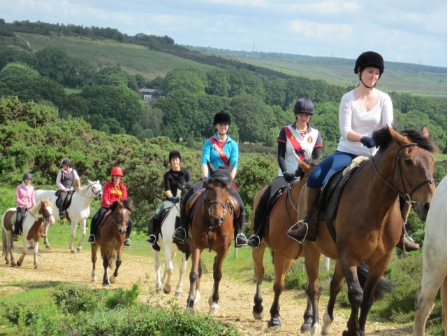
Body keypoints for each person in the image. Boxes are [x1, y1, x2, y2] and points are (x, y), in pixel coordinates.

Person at [286, 51, 419, 251]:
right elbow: (346, 131)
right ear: (359, 72)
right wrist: (363, 138)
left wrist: (377, 141)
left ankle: (401, 232)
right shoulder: (348, 98)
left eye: (377, 73)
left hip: (376, 156)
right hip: (347, 152)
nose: (373, 76)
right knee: (315, 177)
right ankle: (308, 225)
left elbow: (388, 128)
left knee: (402, 182)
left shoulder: (384, 99)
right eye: (369, 71)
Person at [247, 98, 322, 247]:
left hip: (306, 176)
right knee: (265, 198)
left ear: (310, 117)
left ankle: (319, 233)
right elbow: (280, 155)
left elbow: (316, 159)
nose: (303, 118)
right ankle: (257, 234)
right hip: (285, 175)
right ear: (296, 115)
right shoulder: (286, 131)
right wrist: (286, 171)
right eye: (301, 115)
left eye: (306, 115)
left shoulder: (316, 134)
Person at [173, 110, 248, 247]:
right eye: (220, 124)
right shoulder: (209, 143)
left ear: (228, 126)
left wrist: (229, 180)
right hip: (209, 179)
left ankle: (239, 234)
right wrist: (206, 178)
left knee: (241, 207)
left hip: (225, 181)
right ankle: (182, 230)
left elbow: (234, 164)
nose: (223, 127)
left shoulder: (233, 145)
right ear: (216, 126)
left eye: (225, 124)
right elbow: (204, 161)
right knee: (186, 199)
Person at [146, 150, 192, 246]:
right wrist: (172, 198)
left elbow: (190, 185)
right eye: (172, 160)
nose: (175, 162)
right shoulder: (168, 175)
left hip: (184, 200)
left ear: (179, 160)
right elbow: (167, 190)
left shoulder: (186, 173)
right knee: (157, 212)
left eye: (176, 160)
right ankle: (154, 235)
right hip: (171, 200)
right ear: (170, 162)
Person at [88, 166, 134, 247]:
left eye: (119, 176)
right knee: (95, 218)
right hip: (107, 206)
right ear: (112, 176)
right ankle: (92, 235)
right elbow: (105, 196)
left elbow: (124, 197)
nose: (117, 177)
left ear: (121, 177)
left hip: (119, 207)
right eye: (115, 176)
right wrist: (109, 203)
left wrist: (121, 204)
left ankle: (126, 238)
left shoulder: (123, 186)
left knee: (130, 222)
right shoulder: (107, 185)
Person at [13, 173, 37, 241]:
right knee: (18, 220)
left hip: (29, 207)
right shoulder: (19, 187)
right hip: (21, 207)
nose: (28, 181)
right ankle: (16, 233)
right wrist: (23, 203)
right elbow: (17, 198)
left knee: (35, 219)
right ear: (24, 180)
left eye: (29, 180)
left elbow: (33, 197)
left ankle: (36, 233)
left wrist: (34, 205)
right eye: (26, 179)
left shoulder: (31, 187)